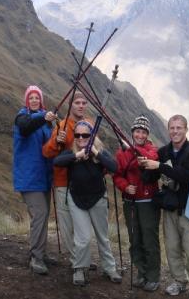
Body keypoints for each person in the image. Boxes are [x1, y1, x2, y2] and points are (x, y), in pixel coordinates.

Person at [140, 115, 189, 299]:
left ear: (186, 129)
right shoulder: (163, 152)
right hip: (170, 210)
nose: (175, 131)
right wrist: (145, 164)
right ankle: (179, 281)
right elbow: (151, 177)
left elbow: (184, 176)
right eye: (172, 128)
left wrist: (159, 165)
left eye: (179, 128)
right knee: (172, 249)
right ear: (168, 129)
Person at [53, 120, 123, 286]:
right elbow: (57, 162)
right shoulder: (70, 152)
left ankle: (109, 268)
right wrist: (77, 155)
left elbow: (114, 167)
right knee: (82, 238)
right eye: (77, 135)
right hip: (76, 199)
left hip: (98, 198)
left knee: (103, 237)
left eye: (85, 134)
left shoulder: (99, 151)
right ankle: (79, 269)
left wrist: (95, 153)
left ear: (92, 135)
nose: (81, 138)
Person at [112, 115, 161, 292]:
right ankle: (141, 273)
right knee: (135, 239)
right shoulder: (121, 153)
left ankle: (153, 276)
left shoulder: (152, 150)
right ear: (132, 132)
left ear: (147, 134)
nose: (140, 135)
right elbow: (116, 175)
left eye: (143, 132)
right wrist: (125, 187)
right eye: (137, 131)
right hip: (130, 202)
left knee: (149, 239)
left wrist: (134, 150)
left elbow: (151, 159)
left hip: (148, 201)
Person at [12, 85, 57, 275]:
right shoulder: (22, 117)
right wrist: (43, 117)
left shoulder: (47, 122)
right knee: (40, 213)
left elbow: (51, 146)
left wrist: (58, 136)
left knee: (43, 215)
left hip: (44, 177)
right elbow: (25, 127)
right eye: (30, 98)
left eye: (36, 98)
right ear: (26, 101)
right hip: (29, 178)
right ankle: (36, 258)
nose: (33, 100)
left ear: (41, 100)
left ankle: (40, 252)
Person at [42, 91, 90, 265]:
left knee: (82, 225)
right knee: (67, 225)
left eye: (84, 103)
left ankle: (82, 257)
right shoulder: (62, 126)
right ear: (71, 105)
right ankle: (76, 259)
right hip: (63, 182)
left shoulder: (89, 125)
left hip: (83, 183)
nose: (81, 106)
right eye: (77, 102)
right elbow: (47, 152)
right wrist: (57, 141)